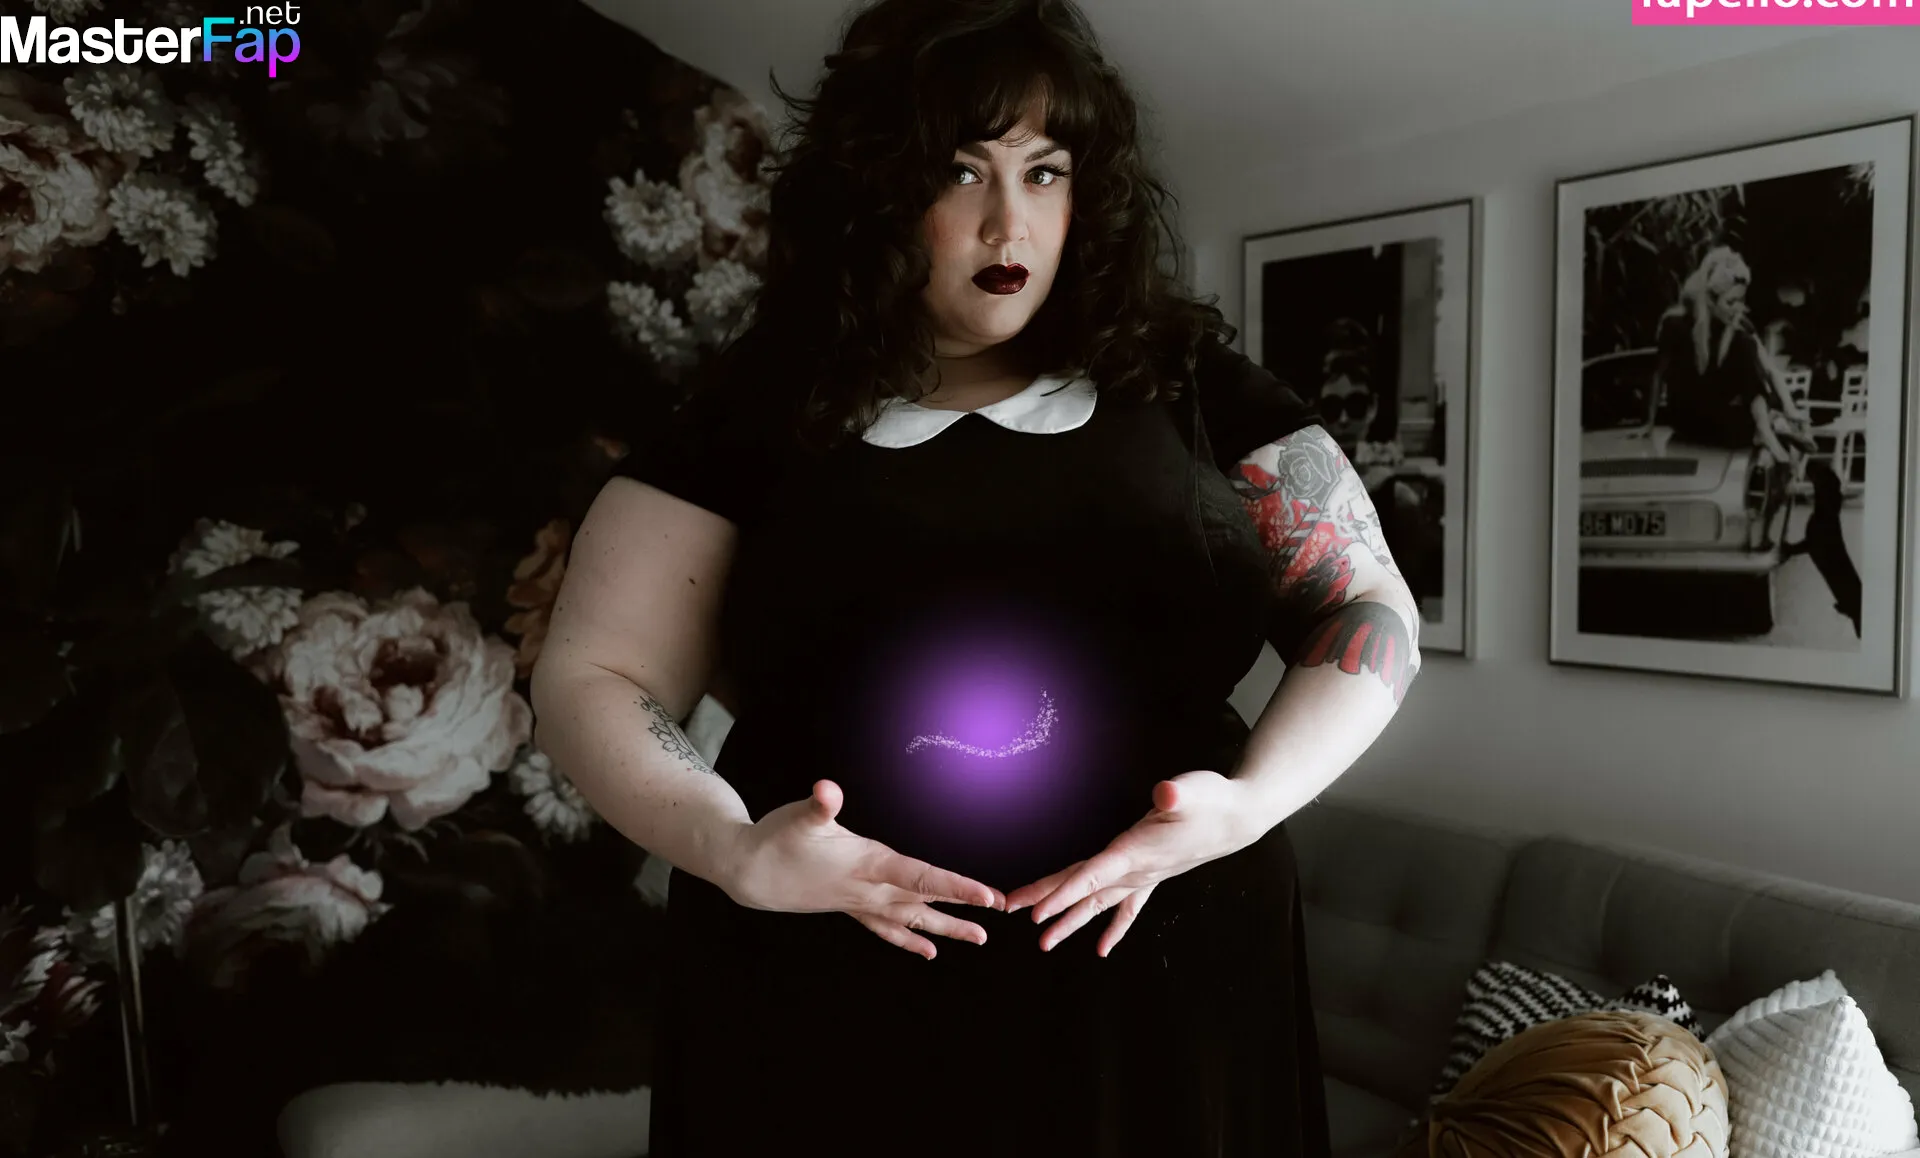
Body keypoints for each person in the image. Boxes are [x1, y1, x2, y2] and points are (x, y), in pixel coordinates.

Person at [529, 1, 1420, 1153]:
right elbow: (595, 673)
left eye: (1045, 172)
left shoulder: (1191, 384)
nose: (1011, 222)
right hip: (827, 995)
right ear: (874, 191)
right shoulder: (753, 412)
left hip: (1165, 986)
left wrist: (1247, 804)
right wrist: (731, 848)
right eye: (962, 171)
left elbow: (1366, 609)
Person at [1655, 246, 1813, 547]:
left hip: (1725, 417)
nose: (1737, 307)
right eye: (1731, 302)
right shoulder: (1677, 324)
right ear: (1710, 299)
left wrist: (1792, 408)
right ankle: (1771, 427)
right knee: (1745, 347)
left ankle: (1770, 427)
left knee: (1745, 345)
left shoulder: (1738, 328)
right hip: (1690, 418)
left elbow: (1769, 371)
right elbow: (1658, 374)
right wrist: (1647, 420)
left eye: (1741, 300)